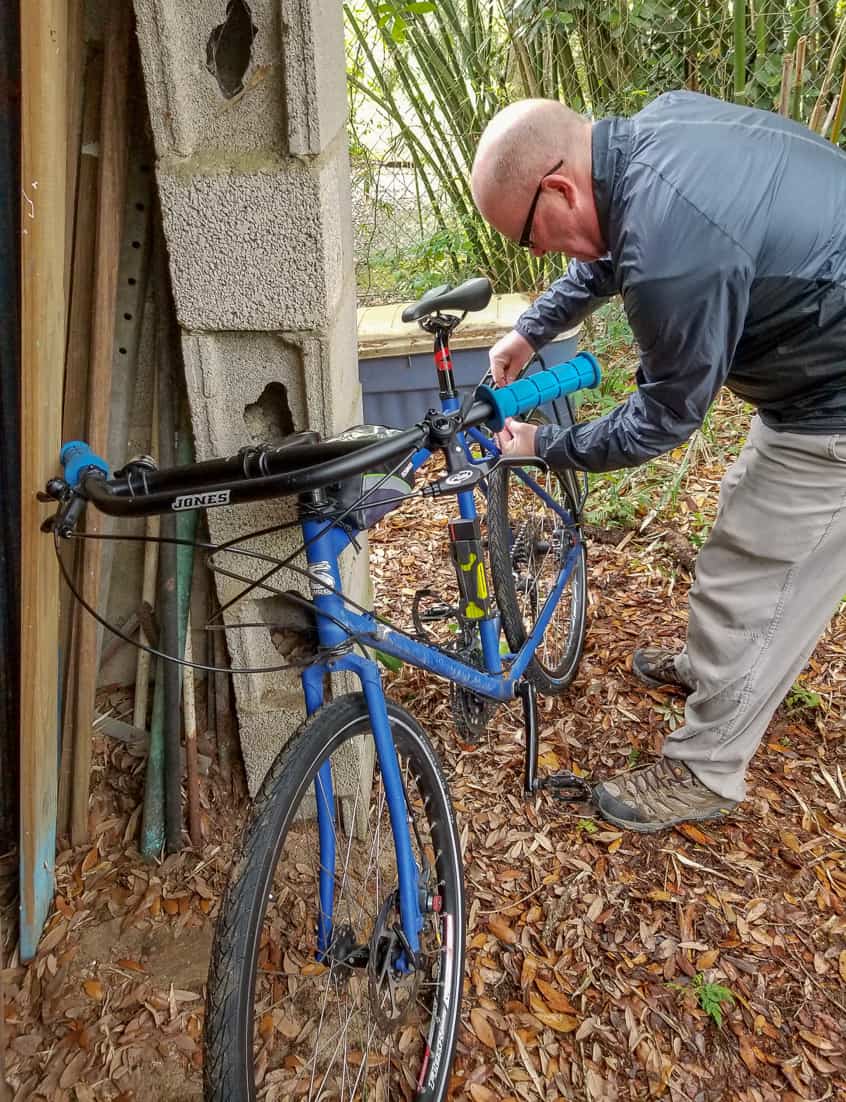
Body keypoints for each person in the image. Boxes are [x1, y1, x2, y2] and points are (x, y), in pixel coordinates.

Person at [470, 91, 846, 833]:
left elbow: (663, 417)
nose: (540, 253)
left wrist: (543, 447)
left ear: (559, 188)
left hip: (834, 401)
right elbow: (615, 252)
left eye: (529, 237)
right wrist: (531, 328)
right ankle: (715, 672)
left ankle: (706, 770)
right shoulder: (651, 140)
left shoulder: (675, 255)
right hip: (815, 367)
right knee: (744, 535)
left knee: (766, 577)